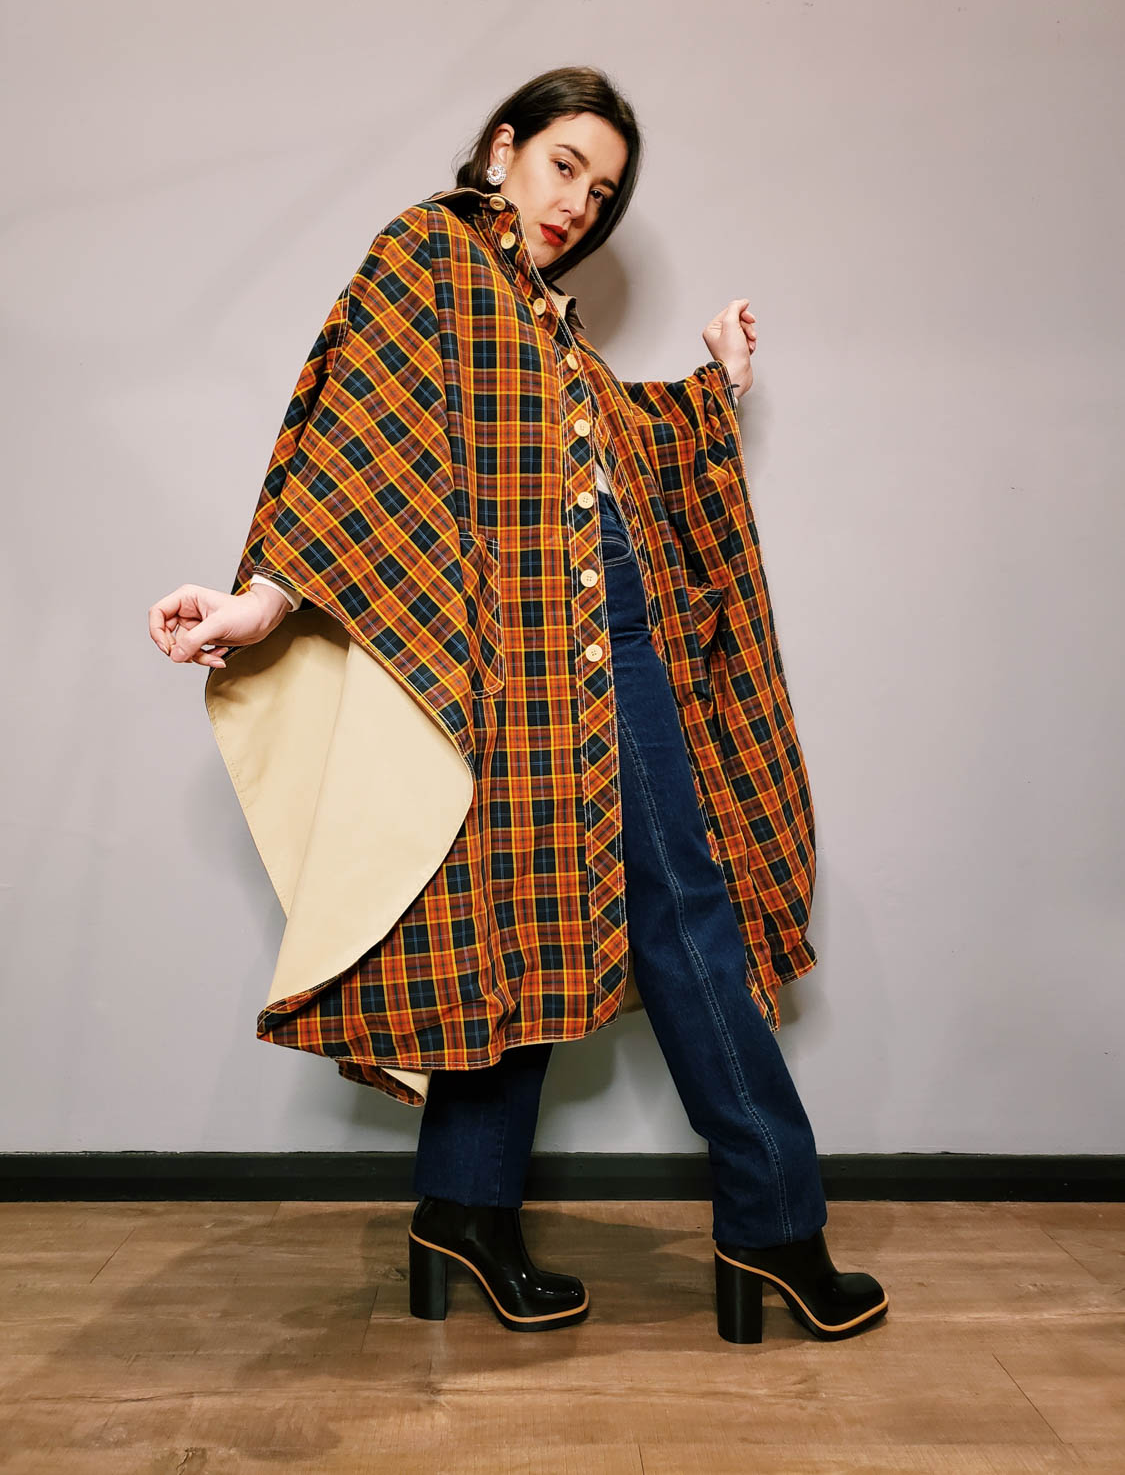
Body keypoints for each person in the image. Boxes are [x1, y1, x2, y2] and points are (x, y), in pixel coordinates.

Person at [148, 65, 887, 1344]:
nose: (577, 204)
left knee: (628, 919)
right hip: (523, 663)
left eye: (601, 192)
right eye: (564, 166)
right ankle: (724, 1223)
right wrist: (261, 604)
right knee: (572, 923)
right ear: (504, 147)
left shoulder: (549, 325)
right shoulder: (430, 256)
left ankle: (493, 1208)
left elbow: (625, 451)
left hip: (611, 649)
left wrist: (716, 389)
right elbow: (357, 441)